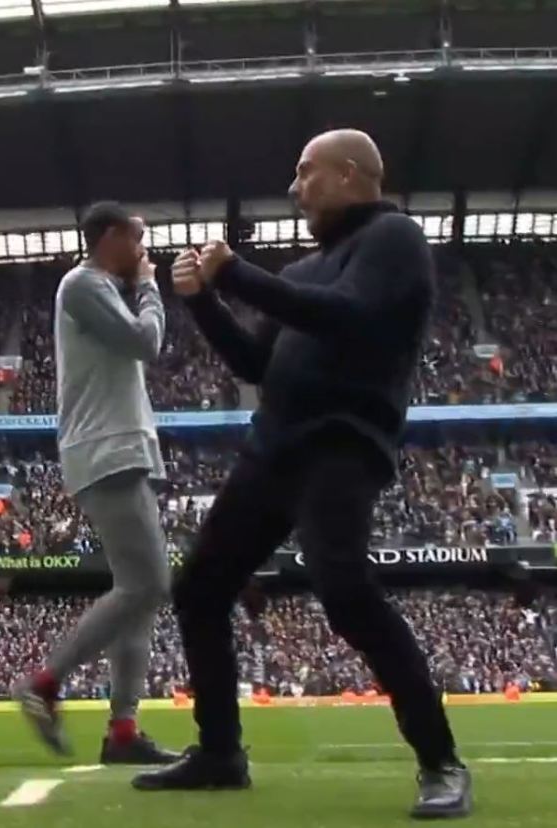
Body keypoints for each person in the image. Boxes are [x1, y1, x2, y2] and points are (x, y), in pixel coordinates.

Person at [132, 130, 472, 819]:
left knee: (343, 589)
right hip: (273, 448)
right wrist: (203, 301)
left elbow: (352, 319)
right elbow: (255, 367)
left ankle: (440, 760)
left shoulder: (393, 238)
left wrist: (236, 273)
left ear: (349, 176)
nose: (294, 188)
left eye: (304, 173)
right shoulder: (303, 269)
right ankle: (220, 753)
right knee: (199, 589)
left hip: (340, 443)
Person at [16, 202, 177, 765]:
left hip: (123, 450)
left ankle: (124, 731)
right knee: (148, 584)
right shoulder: (83, 284)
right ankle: (43, 682)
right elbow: (146, 342)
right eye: (138, 236)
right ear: (109, 236)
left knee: (141, 597)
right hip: (104, 451)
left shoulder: (98, 287)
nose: (143, 249)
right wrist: (152, 288)